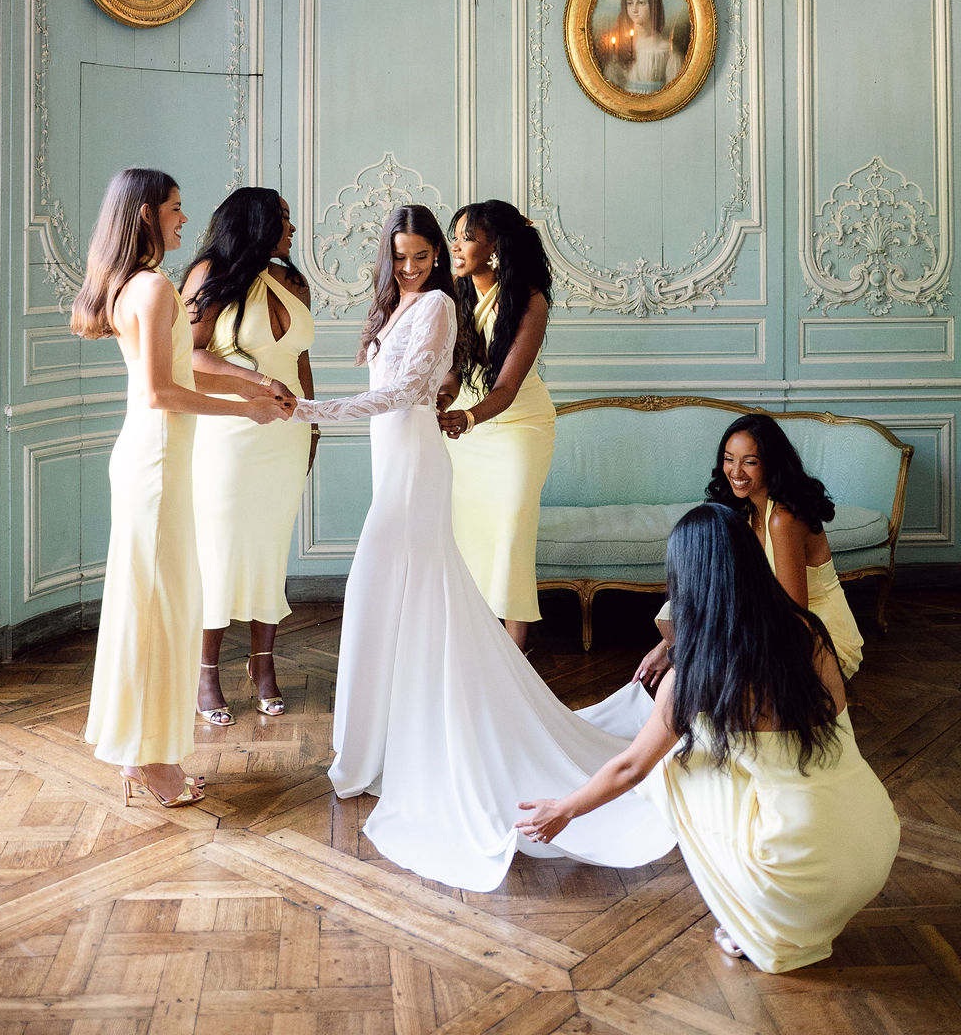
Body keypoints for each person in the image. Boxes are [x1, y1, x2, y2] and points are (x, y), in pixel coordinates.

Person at [278, 204, 675, 891]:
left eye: (429, 253)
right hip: (413, 450)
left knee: (432, 578)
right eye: (403, 256)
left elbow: (424, 387)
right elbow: (441, 375)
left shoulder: (456, 303)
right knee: (402, 592)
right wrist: (447, 397)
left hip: (482, 435)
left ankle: (403, 739)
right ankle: (382, 746)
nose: (415, 266)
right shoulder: (421, 302)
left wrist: (313, 412)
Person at [518, 504, 899, 974]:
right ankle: (779, 904)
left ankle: (753, 919)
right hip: (873, 839)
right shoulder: (809, 632)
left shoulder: (696, 675)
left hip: (801, 874)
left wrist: (563, 810)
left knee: (670, 768)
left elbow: (630, 767)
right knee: (739, 752)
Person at [71, 169, 284, 807]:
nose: (183, 220)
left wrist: (254, 386)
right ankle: (150, 760)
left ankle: (141, 751)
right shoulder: (156, 287)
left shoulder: (126, 286)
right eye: (174, 208)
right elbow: (162, 392)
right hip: (158, 463)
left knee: (153, 606)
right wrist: (248, 411)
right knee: (159, 613)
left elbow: (183, 368)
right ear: (145, 215)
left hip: (148, 459)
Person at [182, 188, 317, 724]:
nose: (291, 229)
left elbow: (300, 360)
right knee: (221, 552)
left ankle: (263, 666)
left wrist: (311, 423)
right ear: (255, 223)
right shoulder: (211, 274)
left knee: (269, 549)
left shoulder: (294, 281)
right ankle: (205, 673)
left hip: (284, 436)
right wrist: (256, 381)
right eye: (283, 219)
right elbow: (187, 354)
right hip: (230, 435)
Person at [635, 413, 864, 689]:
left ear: (771, 464)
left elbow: (795, 614)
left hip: (813, 632)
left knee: (712, 667)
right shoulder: (742, 511)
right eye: (729, 459)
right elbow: (722, 586)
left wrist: (721, 639)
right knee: (677, 613)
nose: (736, 471)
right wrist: (669, 645)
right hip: (771, 617)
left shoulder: (783, 519)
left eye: (750, 462)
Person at [438, 201, 555, 651]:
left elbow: (506, 388)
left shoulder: (529, 300)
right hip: (465, 431)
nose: (456, 245)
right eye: (457, 235)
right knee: (470, 537)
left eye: (467, 236)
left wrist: (466, 417)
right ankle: (479, 651)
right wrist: (446, 399)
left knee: (511, 535)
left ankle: (515, 658)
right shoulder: (453, 293)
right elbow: (453, 369)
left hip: (519, 429)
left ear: (496, 247)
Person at [599, 0, 681, 93]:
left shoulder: (666, 48)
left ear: (653, 5)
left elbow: (675, 90)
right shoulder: (619, 45)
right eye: (630, 3)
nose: (634, 9)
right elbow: (611, 84)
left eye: (641, 2)